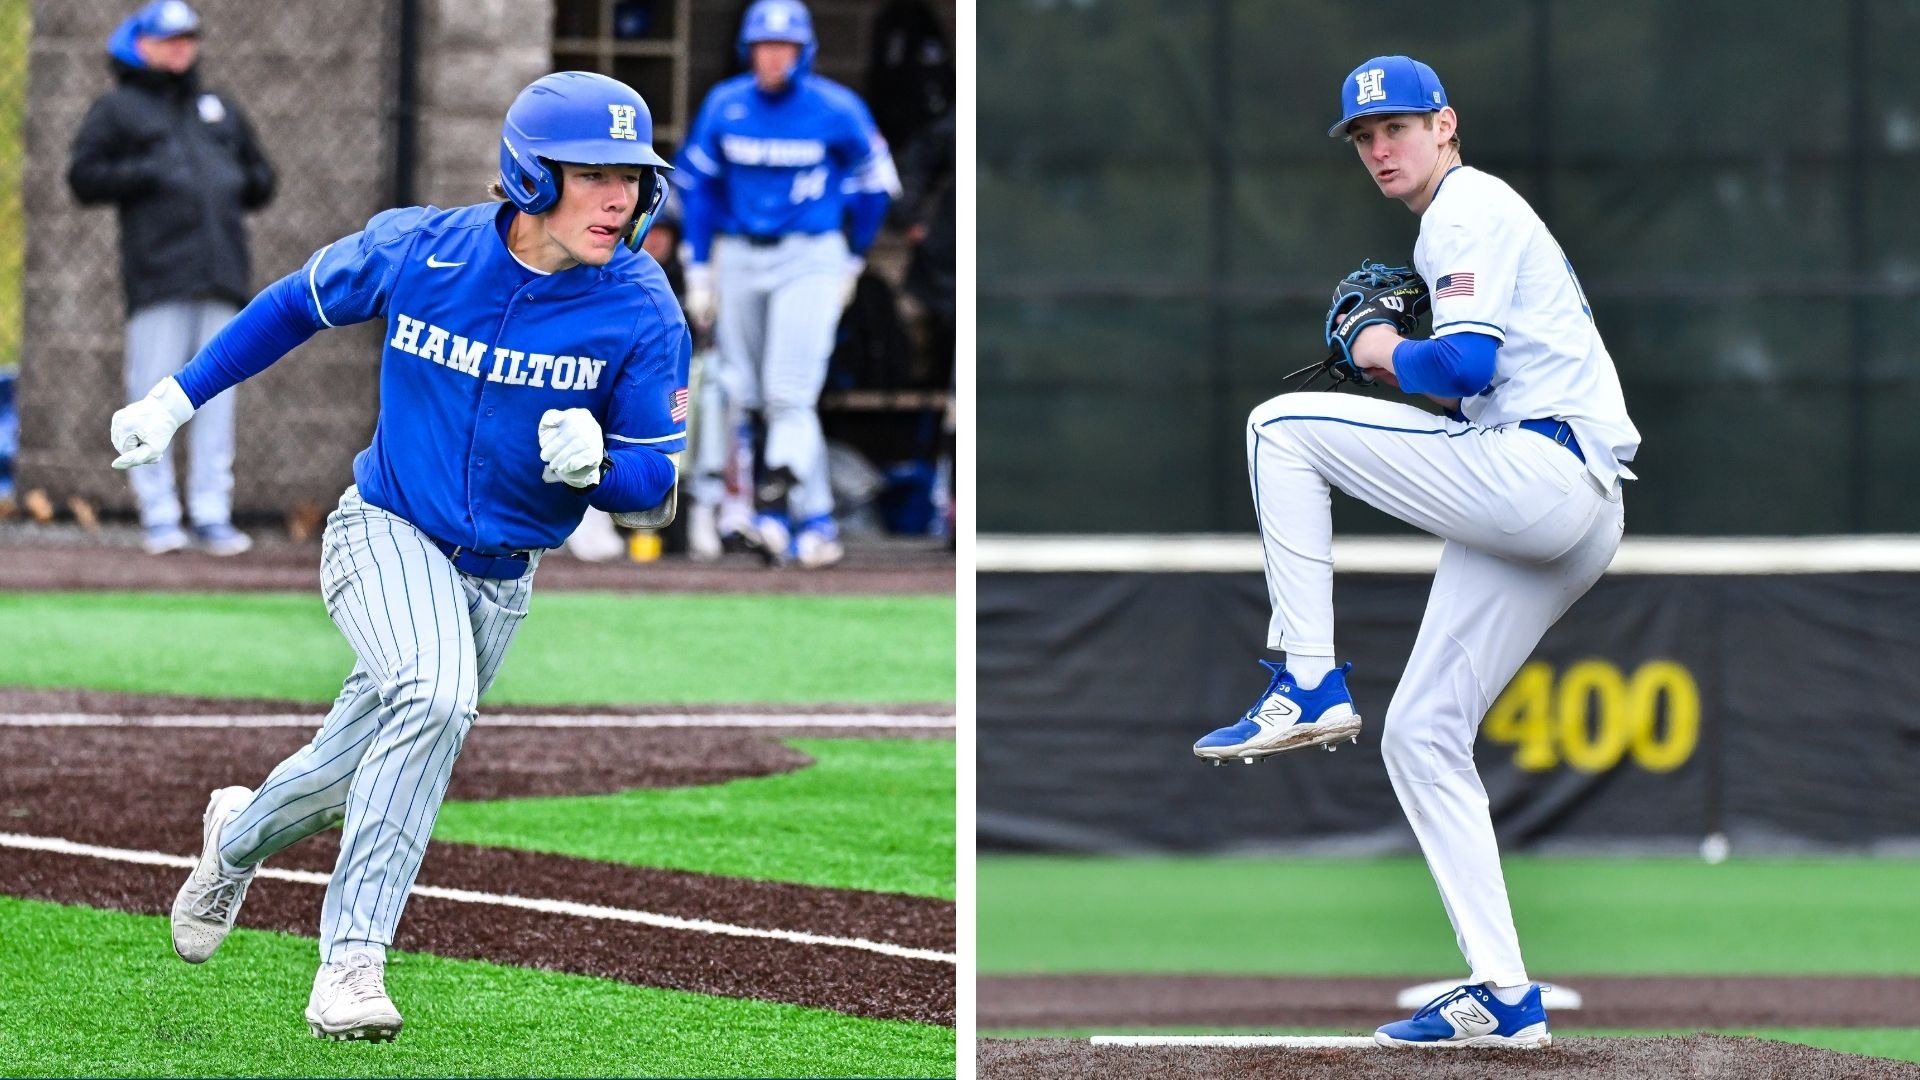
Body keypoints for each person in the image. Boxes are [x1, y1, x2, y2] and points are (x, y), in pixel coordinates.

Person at [113, 71, 686, 1042]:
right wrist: (175, 399)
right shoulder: (424, 247)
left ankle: (234, 839)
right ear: (531, 176)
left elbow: (653, 483)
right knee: (436, 696)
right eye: (594, 174)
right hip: (383, 530)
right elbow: (294, 304)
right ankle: (351, 963)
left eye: (631, 178)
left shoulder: (641, 307)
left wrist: (600, 468)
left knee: (343, 774)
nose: (619, 198)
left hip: (501, 580)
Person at [1192, 55, 1640, 1050]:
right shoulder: (1469, 216)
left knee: (1278, 427)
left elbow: (1463, 365)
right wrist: (1401, 357)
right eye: (1363, 136)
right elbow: (1459, 379)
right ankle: (1504, 993)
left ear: (1446, 124)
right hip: (1572, 504)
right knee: (1422, 733)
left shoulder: (1465, 208)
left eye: (1396, 126)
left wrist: (1373, 347)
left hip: (1540, 470)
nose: (1380, 148)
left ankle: (1308, 679)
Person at [674, 0, 899, 568]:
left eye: (784, 47)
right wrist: (698, 265)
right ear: (748, 50)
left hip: (810, 253)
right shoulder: (726, 103)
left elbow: (877, 187)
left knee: (788, 393)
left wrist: (852, 256)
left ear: (804, 52)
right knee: (746, 393)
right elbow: (699, 188)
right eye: (763, 47)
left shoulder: (836, 107)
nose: (773, 58)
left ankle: (774, 509)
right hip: (740, 252)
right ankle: (815, 520)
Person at [68, 0, 275, 556]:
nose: (180, 48)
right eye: (168, 39)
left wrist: (232, 177)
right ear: (141, 45)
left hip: (222, 275)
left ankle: (212, 512)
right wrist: (151, 171)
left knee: (218, 392)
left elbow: (261, 178)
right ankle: (158, 514)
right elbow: (83, 176)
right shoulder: (118, 109)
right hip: (159, 276)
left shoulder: (218, 108)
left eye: (187, 38)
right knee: (150, 392)